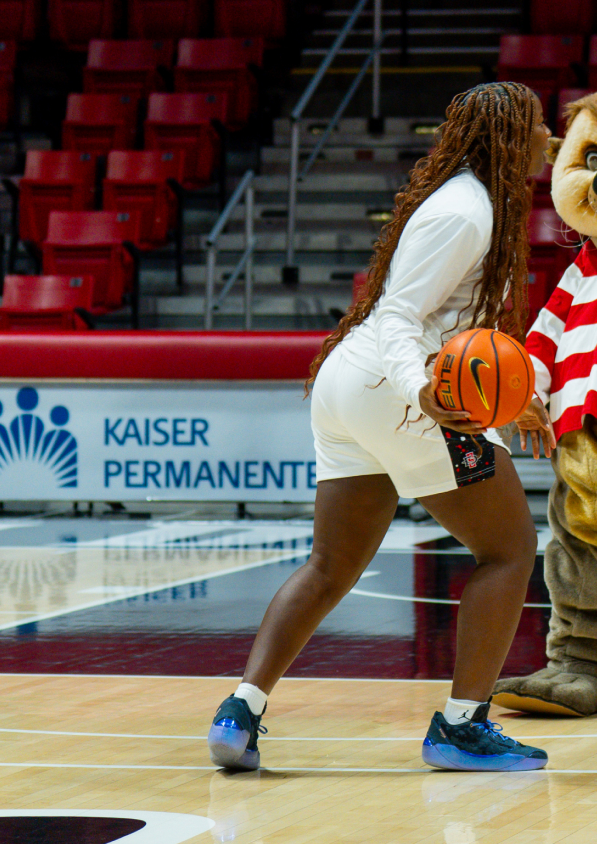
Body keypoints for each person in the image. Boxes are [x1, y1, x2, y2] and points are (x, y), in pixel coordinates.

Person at [207, 81, 557, 773]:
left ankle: (239, 713)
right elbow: (400, 316)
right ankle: (461, 727)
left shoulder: (466, 200)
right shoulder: (467, 211)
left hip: (352, 386)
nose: (550, 136)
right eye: (540, 123)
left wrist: (510, 399)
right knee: (511, 550)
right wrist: (421, 390)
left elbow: (449, 329)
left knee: (330, 565)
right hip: (397, 388)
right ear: (513, 137)